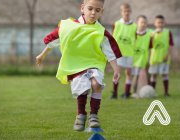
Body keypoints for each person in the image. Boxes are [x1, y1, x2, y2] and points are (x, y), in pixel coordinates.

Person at [36, 0, 122, 131]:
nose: (93, 13)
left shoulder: (101, 32)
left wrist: (116, 69)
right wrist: (42, 55)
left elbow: (110, 52)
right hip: (75, 66)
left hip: (94, 63)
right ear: (82, 8)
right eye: (90, 9)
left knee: (96, 84)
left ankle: (93, 116)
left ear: (101, 12)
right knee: (83, 89)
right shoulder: (68, 27)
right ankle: (81, 115)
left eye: (97, 10)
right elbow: (54, 41)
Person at [111, 3, 137, 99]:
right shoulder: (117, 24)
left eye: (128, 11)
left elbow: (136, 38)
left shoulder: (134, 26)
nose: (126, 13)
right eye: (124, 11)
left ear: (130, 12)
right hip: (119, 53)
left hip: (129, 53)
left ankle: (126, 93)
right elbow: (113, 38)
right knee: (117, 73)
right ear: (121, 12)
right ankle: (114, 93)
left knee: (128, 73)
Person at [149, 15, 174, 96]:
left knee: (165, 74)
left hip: (164, 58)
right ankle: (153, 92)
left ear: (164, 23)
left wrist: (168, 55)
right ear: (155, 23)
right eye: (158, 22)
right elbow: (150, 46)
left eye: (162, 22)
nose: (160, 24)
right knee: (154, 74)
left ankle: (166, 92)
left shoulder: (168, 32)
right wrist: (152, 37)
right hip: (154, 58)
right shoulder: (152, 33)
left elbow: (171, 45)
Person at [132, 15, 152, 97]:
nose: (143, 24)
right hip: (134, 59)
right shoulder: (132, 34)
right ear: (137, 23)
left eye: (145, 22)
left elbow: (151, 47)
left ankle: (151, 91)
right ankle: (134, 93)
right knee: (135, 76)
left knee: (149, 74)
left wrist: (150, 58)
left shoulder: (150, 34)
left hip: (145, 59)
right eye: (141, 22)